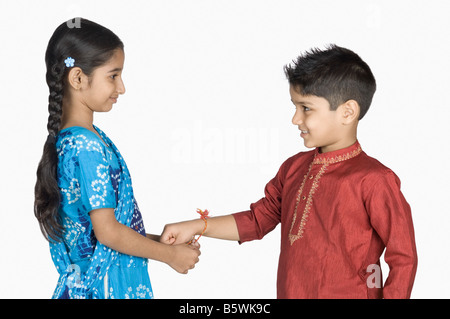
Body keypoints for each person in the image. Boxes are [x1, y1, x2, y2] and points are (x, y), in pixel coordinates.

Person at [160, 44, 418, 299]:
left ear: (347, 112)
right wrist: (197, 226)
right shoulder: (294, 168)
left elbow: (403, 256)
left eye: (306, 108)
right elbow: (258, 220)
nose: (295, 119)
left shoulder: (374, 179)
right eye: (295, 106)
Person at [34, 18, 200, 299]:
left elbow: (97, 234)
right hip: (107, 289)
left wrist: (157, 241)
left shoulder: (71, 141)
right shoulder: (87, 147)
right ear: (77, 78)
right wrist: (168, 256)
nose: (121, 88)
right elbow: (108, 233)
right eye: (113, 76)